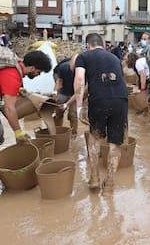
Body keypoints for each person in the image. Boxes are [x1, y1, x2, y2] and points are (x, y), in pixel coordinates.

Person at [74, 33, 128, 194]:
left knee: (95, 137)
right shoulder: (114, 58)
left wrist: (78, 106)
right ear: (102, 45)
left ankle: (95, 178)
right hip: (121, 99)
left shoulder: (83, 56)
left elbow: (79, 80)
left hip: (98, 100)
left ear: (87, 45)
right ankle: (110, 184)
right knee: (115, 143)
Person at [0, 50, 52, 162]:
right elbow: (9, 109)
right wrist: (18, 133)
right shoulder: (12, 76)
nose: (38, 74)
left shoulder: (14, 64)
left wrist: (18, 90)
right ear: (32, 68)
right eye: (38, 72)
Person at [54, 54, 79, 140]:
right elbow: (59, 81)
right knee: (58, 112)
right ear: (70, 63)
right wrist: (55, 92)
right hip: (63, 91)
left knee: (73, 114)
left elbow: (78, 92)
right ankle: (57, 131)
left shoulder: (83, 71)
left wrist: (67, 104)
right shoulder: (63, 67)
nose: (73, 69)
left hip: (75, 93)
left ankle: (73, 134)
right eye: (72, 66)